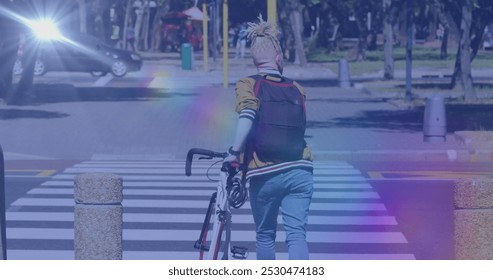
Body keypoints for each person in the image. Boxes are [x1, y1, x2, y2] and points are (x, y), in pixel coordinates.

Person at [224, 15, 314, 260]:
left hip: (265, 173)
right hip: (300, 169)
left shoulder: (248, 84)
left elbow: (248, 114)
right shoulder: (297, 88)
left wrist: (234, 152)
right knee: (297, 236)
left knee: (265, 235)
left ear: (255, 61)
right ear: (278, 58)